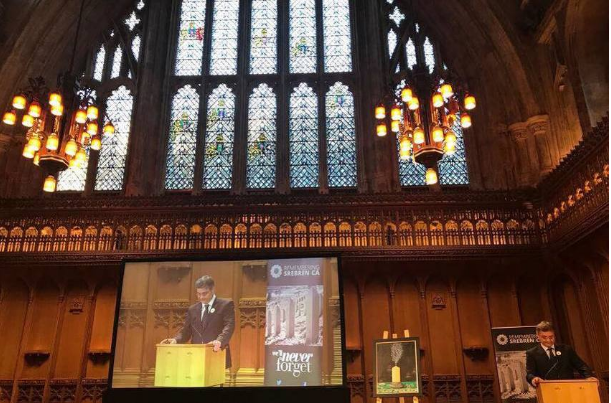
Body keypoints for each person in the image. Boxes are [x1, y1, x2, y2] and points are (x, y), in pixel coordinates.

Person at [161, 275, 235, 367]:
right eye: (198, 294)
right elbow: (186, 331)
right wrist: (175, 340)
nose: (201, 297)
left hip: (217, 354)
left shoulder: (225, 305)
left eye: (204, 294)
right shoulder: (193, 309)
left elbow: (229, 326)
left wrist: (219, 341)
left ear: (212, 290)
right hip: (196, 356)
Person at [526, 321, 595, 387]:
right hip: (547, 389)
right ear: (538, 336)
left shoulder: (566, 350)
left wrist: (589, 377)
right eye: (544, 337)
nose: (548, 340)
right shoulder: (532, 353)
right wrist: (534, 379)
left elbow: (581, 366)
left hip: (569, 388)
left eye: (551, 337)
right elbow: (530, 374)